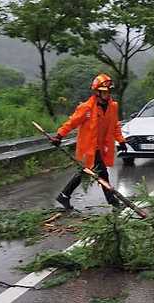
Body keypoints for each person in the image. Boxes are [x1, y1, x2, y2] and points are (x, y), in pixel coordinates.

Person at [51, 73, 126, 210]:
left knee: (85, 172)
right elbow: (71, 123)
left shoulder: (113, 107)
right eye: (104, 92)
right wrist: (59, 136)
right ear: (96, 92)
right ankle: (113, 201)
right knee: (102, 172)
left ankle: (64, 195)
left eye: (109, 91)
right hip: (88, 148)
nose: (107, 94)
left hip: (101, 148)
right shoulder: (86, 108)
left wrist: (121, 141)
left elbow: (115, 126)